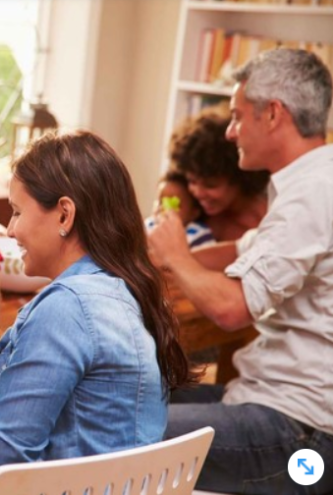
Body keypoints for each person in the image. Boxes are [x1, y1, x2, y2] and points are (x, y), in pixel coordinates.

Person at [0, 131, 196, 495]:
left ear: (64, 214)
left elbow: (0, 471)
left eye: (17, 211)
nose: (11, 229)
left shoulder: (67, 308)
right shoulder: (124, 289)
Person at [148, 48, 333, 493]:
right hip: (276, 406)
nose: (230, 132)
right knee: (117, 401)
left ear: (273, 114)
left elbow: (233, 309)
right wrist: (147, 256)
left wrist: (176, 255)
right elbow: (241, 250)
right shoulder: (312, 181)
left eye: (236, 116)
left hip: (300, 433)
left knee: (111, 432)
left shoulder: (313, 192)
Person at [168, 104, 269, 242]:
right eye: (192, 181)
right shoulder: (196, 218)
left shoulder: (272, 212)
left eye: (210, 185)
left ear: (239, 178)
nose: (198, 192)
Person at [145, 169, 215, 248]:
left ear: (194, 213)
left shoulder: (198, 235)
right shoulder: (148, 226)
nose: (164, 209)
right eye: (161, 201)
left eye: (174, 205)